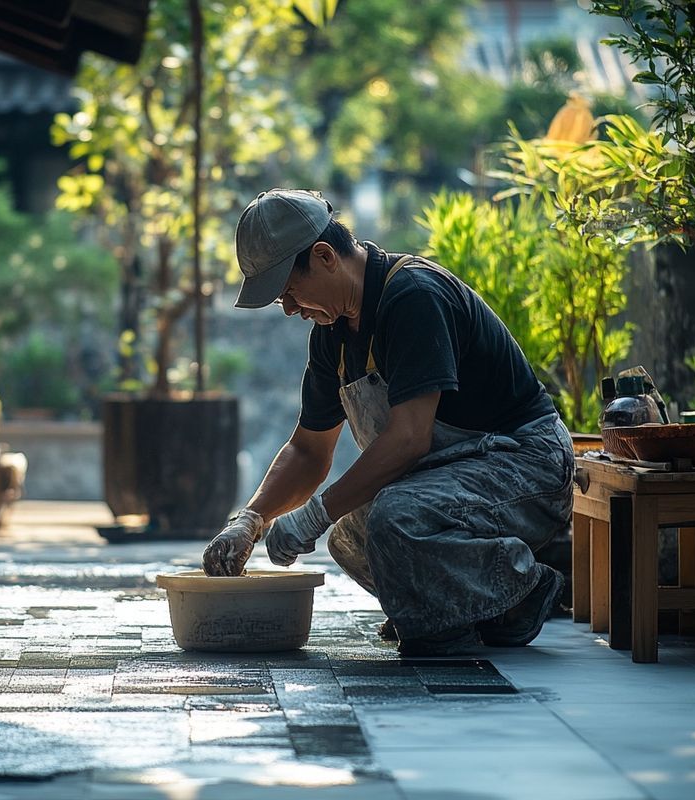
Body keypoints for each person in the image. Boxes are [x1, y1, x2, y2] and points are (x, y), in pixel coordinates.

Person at [202, 189, 574, 655]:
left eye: (290, 291)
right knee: (351, 537)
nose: (291, 310)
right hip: (453, 474)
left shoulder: (414, 295)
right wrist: (251, 519)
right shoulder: (331, 336)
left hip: (527, 464)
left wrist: (314, 513)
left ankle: (521, 587)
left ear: (323, 257)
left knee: (395, 519)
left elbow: (410, 439)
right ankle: (487, 609)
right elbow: (308, 450)